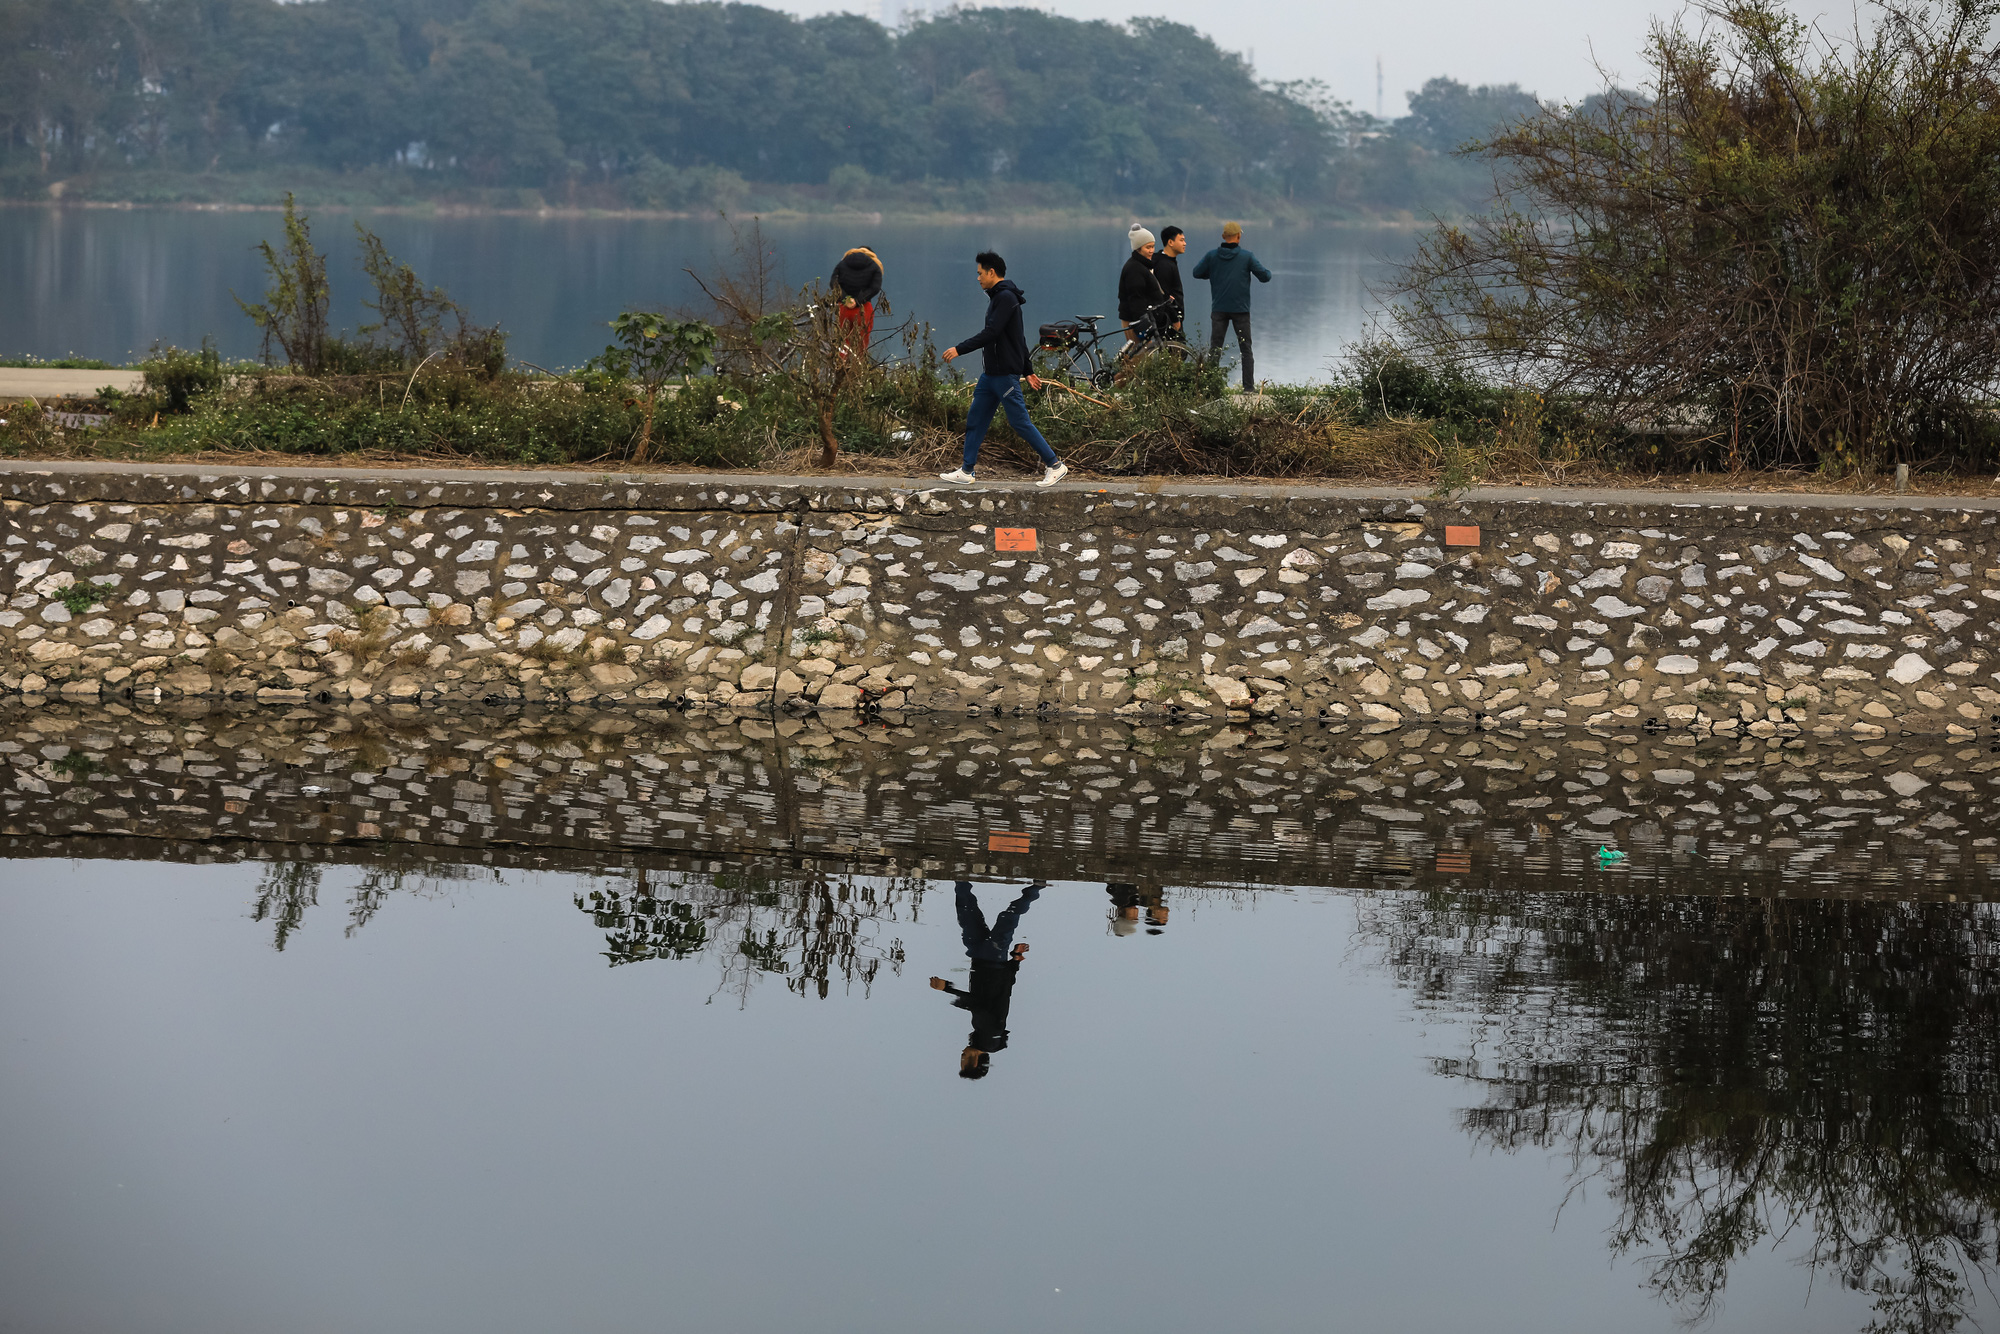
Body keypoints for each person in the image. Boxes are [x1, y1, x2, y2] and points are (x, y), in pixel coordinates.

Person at [939, 252, 1069, 487]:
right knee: (976, 420)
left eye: (980, 273)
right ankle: (967, 470)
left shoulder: (1006, 297)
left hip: (1004, 375)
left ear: (991, 272)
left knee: (1020, 422)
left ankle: (1055, 465)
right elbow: (1017, 337)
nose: (978, 278)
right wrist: (1028, 370)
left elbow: (994, 333)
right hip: (990, 375)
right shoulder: (998, 298)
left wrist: (959, 349)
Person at [930, 880, 1043, 1079]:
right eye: (964, 1060)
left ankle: (961, 876)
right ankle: (1036, 887)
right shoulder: (990, 1040)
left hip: (980, 959)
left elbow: (1000, 997)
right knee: (1008, 918)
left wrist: (1015, 960)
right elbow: (979, 1005)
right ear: (974, 1062)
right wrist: (947, 989)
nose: (962, 1055)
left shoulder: (983, 1036)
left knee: (966, 913)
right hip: (992, 960)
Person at [1191, 221, 1272, 391]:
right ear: (1239, 237)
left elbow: (1197, 273)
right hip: (1241, 310)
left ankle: (1211, 386)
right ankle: (1248, 388)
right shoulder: (1247, 257)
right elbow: (1265, 277)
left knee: (1215, 348)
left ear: (1223, 237)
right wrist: (1268, 272)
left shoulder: (1211, 256)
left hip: (1219, 309)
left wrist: (1213, 273)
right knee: (1246, 349)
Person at [1118, 223, 1167, 343]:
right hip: (1134, 320)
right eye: (1148, 247)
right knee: (1137, 356)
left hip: (1142, 319)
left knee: (1141, 354)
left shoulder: (1143, 266)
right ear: (1138, 248)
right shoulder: (1134, 269)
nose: (1151, 251)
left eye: (1153, 246)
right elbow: (1136, 297)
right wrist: (1140, 323)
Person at [828, 246, 883, 347]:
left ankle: (841, 362)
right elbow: (875, 288)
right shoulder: (875, 266)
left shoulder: (843, 263)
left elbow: (833, 283)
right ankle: (857, 362)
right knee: (861, 344)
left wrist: (846, 299)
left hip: (843, 308)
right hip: (864, 308)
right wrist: (858, 301)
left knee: (842, 343)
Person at [1152, 226, 1188, 335]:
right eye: (1181, 240)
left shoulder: (1166, 261)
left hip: (1169, 317)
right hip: (1168, 319)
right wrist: (1175, 319)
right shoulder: (1164, 265)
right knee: (1177, 351)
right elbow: (1164, 294)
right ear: (1170, 242)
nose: (1185, 243)